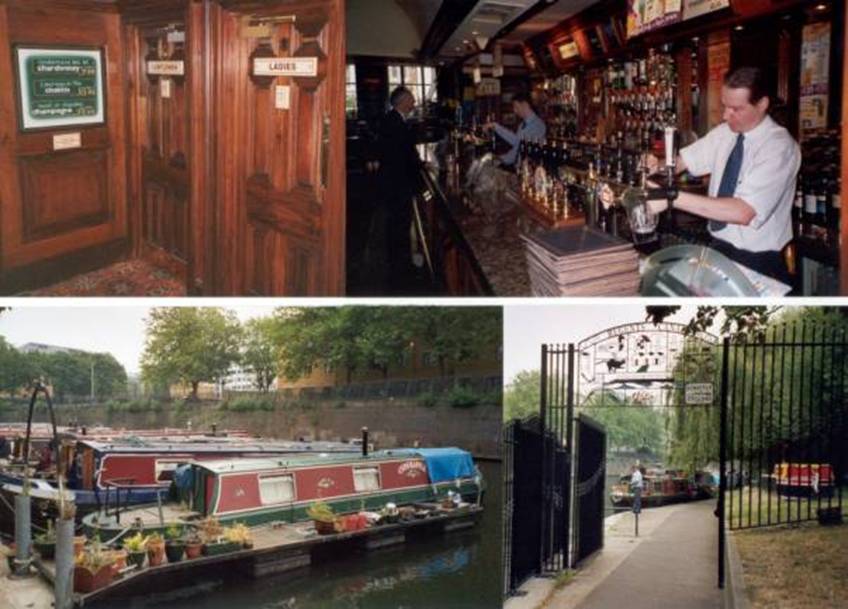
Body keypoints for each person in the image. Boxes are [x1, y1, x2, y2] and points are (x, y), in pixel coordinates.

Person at [645, 66, 800, 284]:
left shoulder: (779, 147)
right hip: (719, 249)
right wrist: (654, 166)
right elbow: (681, 162)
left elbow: (743, 211)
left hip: (761, 261)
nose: (726, 115)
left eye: (736, 108)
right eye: (725, 106)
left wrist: (671, 197)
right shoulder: (725, 133)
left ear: (762, 104)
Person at [376, 86, 424, 291]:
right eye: (412, 100)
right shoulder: (395, 123)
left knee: (398, 222)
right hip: (397, 183)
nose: (414, 104)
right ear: (403, 101)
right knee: (399, 222)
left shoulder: (393, 120)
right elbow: (404, 157)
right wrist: (419, 172)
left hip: (392, 182)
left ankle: (398, 260)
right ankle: (400, 265)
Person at [485, 93, 546, 167]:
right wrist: (499, 159)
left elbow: (518, 144)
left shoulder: (538, 125)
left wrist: (496, 126)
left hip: (529, 171)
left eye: (516, 107)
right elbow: (516, 147)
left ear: (525, 105)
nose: (515, 111)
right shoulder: (522, 125)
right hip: (519, 168)